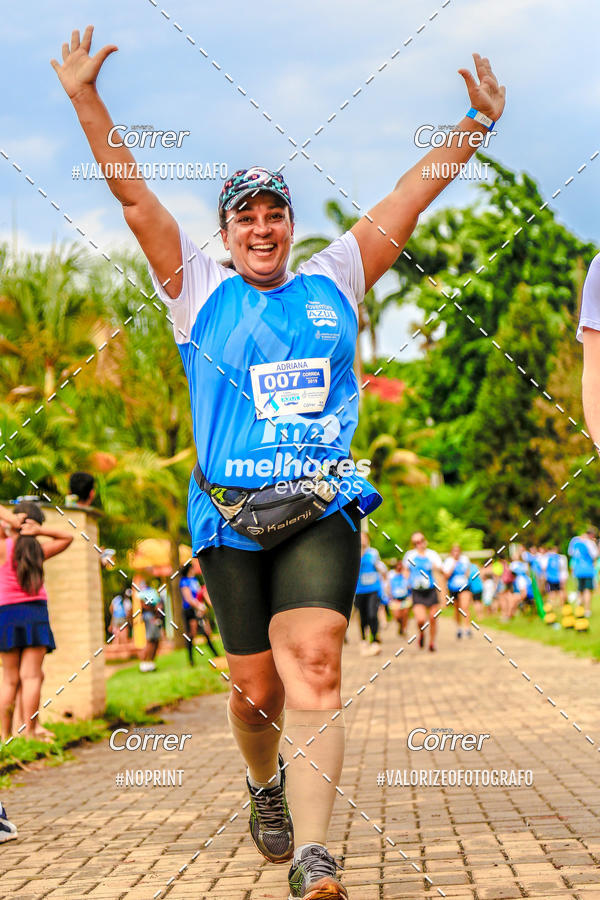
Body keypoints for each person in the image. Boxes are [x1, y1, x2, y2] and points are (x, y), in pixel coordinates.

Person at [53, 27, 504, 898]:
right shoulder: (196, 289)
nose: (263, 227)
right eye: (246, 216)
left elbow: (410, 198)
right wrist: (84, 98)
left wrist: (474, 125)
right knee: (256, 690)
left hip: (321, 504)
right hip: (228, 515)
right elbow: (135, 200)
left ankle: (317, 853)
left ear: (292, 224)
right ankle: (264, 784)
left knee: (319, 662)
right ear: (226, 233)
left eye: (276, 213)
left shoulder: (335, 278)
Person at [0, 502, 73, 742]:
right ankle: (30, 732)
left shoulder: (3, 547)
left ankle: (3, 736)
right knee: (31, 676)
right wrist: (39, 532)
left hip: (6, 615)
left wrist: (11, 521)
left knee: (10, 679)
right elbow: (68, 537)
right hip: (35, 613)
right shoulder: (38, 551)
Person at [403, 533, 444, 652]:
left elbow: (441, 571)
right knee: (420, 619)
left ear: (425, 541)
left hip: (430, 590)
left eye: (421, 540)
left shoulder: (432, 555)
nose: (419, 544)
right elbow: (406, 572)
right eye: (415, 542)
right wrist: (406, 585)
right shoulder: (410, 555)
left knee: (432, 617)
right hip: (417, 591)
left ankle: (432, 643)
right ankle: (421, 633)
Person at [353, 534, 388, 655]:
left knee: (372, 614)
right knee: (363, 616)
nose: (362, 540)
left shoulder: (373, 552)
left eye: (364, 538)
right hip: (360, 590)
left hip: (373, 589)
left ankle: (375, 639)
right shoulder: (354, 552)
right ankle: (363, 639)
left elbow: (381, 567)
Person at [180, 562, 219, 663]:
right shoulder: (184, 582)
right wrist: (199, 606)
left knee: (206, 632)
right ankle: (191, 660)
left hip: (198, 610)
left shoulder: (194, 580)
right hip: (190, 611)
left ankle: (216, 654)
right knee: (192, 634)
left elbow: (199, 594)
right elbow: (188, 598)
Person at [442, 545, 472, 639]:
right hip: (453, 587)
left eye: (458, 551)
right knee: (457, 609)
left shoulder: (465, 559)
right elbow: (446, 576)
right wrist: (453, 565)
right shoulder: (448, 562)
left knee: (465, 607)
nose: (456, 553)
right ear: (451, 552)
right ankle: (459, 628)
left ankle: (467, 628)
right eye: (454, 551)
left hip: (464, 586)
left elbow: (468, 572)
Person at [567, 528, 597, 617]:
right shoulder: (589, 542)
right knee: (587, 590)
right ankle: (587, 611)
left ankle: (579, 609)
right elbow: (595, 555)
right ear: (591, 535)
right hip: (588, 570)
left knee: (580, 590)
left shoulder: (574, 540)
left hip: (577, 570)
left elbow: (570, 553)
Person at [138, 579, 164, 673]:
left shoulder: (151, 592)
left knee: (155, 640)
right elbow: (144, 605)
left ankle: (151, 663)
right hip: (150, 617)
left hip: (154, 617)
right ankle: (144, 663)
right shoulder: (143, 594)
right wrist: (154, 611)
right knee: (150, 640)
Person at [388, 560, 411, 636]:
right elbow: (388, 586)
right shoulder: (391, 575)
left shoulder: (406, 575)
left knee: (405, 614)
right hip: (395, 598)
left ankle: (404, 629)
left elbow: (410, 585)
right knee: (397, 616)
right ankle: (400, 625)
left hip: (405, 597)